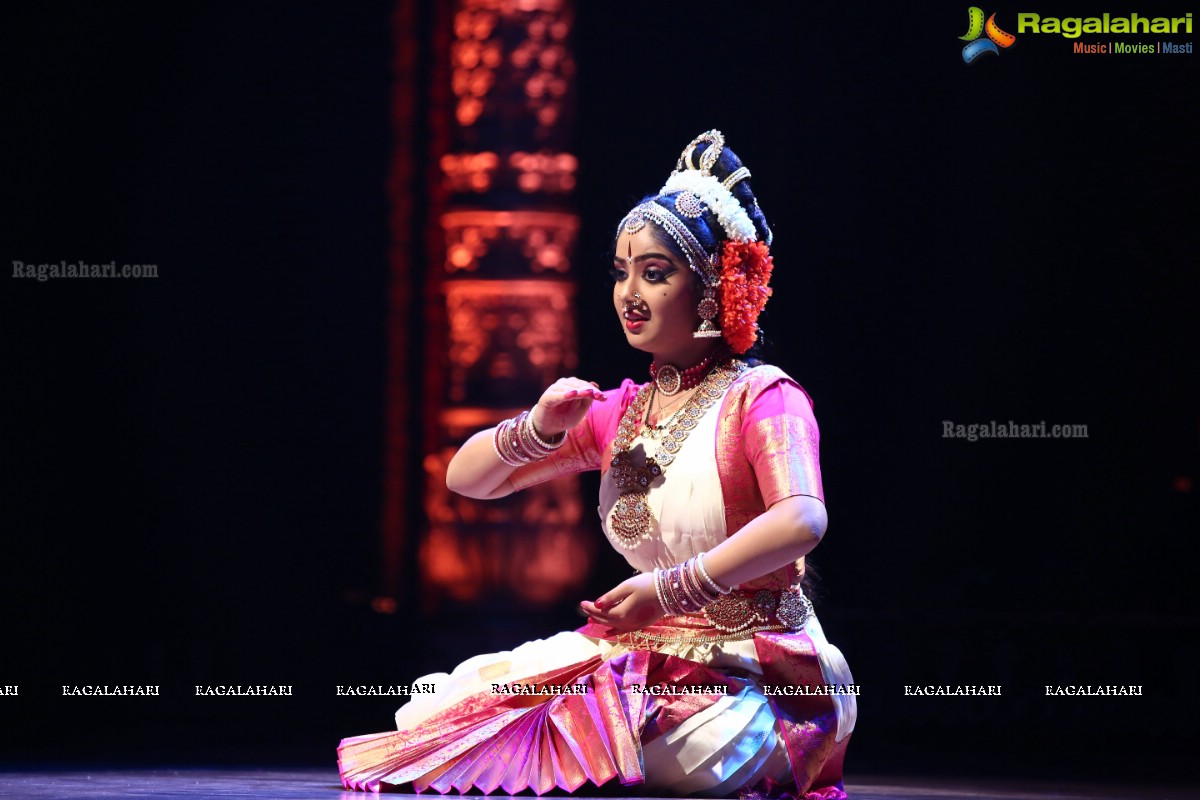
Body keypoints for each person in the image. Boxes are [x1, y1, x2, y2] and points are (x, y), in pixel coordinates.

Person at [338, 130, 856, 799]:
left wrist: (671, 591)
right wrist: (536, 429)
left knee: (672, 746)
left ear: (713, 292)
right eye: (620, 271)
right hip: (644, 654)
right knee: (457, 707)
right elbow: (465, 480)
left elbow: (802, 521)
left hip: (760, 671)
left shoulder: (764, 398)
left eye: (656, 271)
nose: (629, 293)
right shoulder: (622, 413)